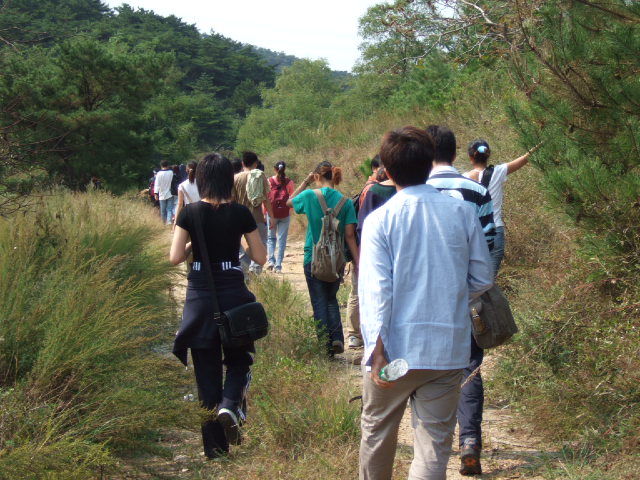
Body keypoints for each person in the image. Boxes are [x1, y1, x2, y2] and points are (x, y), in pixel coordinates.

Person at [358, 126, 493, 480]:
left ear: (387, 170)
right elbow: (482, 278)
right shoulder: (461, 213)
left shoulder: (380, 220)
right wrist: (450, 298)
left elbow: (376, 292)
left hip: (393, 351)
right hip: (446, 349)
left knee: (377, 434)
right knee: (434, 444)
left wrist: (375, 350)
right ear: (430, 162)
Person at [170, 153, 267, 460]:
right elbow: (260, 257)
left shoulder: (189, 213)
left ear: (200, 179)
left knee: (206, 376)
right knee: (240, 359)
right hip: (233, 295)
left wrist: (195, 242)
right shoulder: (240, 213)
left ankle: (215, 450)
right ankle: (230, 404)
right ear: (228, 179)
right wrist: (237, 239)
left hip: (200, 298)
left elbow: (175, 257)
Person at [425, 125, 496, 476]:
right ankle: (469, 441)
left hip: (423, 301)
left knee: (428, 371)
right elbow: (490, 245)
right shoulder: (477, 191)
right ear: (456, 154)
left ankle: (432, 450)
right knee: (469, 366)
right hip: (467, 296)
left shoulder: (413, 191)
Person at [287, 161, 359, 356]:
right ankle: (337, 338)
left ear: (317, 177)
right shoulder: (345, 202)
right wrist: (358, 261)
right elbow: (350, 235)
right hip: (336, 260)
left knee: (318, 301)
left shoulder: (309, 195)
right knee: (331, 298)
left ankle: (325, 347)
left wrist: (305, 182)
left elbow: (288, 203)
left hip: (313, 257)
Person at [464, 140, 536, 277]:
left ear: (470, 157)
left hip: (473, 234)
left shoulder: (463, 179)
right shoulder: (498, 171)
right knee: (488, 280)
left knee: (473, 279)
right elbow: (525, 158)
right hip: (495, 230)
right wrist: (541, 143)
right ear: (488, 154)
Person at [232, 151, 275, 274]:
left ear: (242, 163)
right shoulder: (260, 176)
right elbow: (266, 199)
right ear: (256, 163)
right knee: (261, 244)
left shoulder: (235, 178)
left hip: (239, 219)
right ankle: (256, 273)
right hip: (257, 218)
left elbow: (231, 200)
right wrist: (271, 216)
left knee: (243, 248)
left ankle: (243, 274)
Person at [265, 161, 295, 273]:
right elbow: (292, 198)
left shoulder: (269, 181)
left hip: (271, 214)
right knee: (282, 240)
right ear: (285, 169)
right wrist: (289, 212)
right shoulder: (289, 182)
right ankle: (278, 266)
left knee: (271, 238)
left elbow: (266, 198)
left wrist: (266, 213)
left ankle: (271, 261)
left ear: (274, 169)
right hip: (285, 214)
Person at [173, 161, 201, 231]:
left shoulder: (182, 185)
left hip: (188, 213)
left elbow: (180, 204)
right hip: (202, 212)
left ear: (186, 170)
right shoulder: (203, 183)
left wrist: (176, 221)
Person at [155, 160, 174, 225]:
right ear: (168, 165)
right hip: (170, 193)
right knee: (169, 209)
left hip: (161, 194)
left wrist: (156, 194)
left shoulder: (158, 174)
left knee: (163, 210)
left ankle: (163, 222)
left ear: (161, 165)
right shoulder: (171, 172)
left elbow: (157, 184)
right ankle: (169, 222)